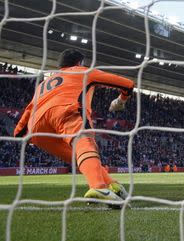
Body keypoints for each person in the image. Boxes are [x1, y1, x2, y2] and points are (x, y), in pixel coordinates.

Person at [14, 49, 134, 205]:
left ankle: (113, 185)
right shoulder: (83, 72)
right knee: (85, 143)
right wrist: (120, 101)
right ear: (80, 62)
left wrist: (19, 134)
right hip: (66, 110)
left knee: (81, 158)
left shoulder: (44, 83)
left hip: (37, 128)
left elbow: (29, 110)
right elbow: (128, 84)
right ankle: (98, 187)